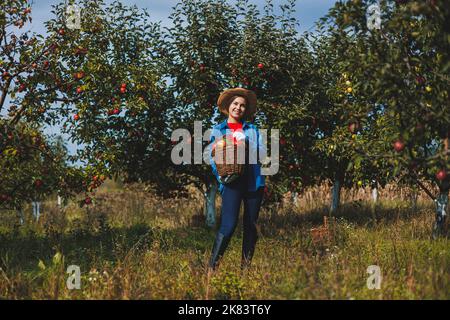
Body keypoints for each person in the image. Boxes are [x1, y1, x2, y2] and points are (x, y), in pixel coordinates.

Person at [208, 87, 267, 272]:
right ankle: (212, 268)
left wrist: (247, 143)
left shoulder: (252, 129)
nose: (238, 108)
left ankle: (245, 270)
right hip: (232, 182)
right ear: (229, 106)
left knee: (250, 227)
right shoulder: (219, 129)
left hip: (253, 181)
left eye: (242, 105)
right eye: (235, 104)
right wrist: (222, 177)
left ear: (245, 109)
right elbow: (212, 157)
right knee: (229, 224)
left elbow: (263, 154)